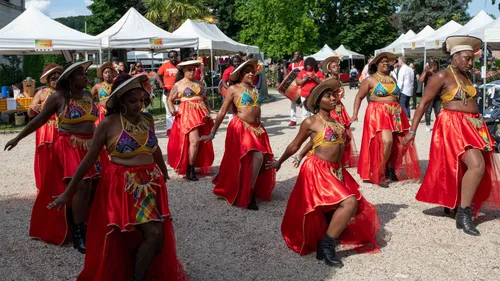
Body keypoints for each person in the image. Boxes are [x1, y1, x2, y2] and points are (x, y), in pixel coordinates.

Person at [49, 74, 189, 281]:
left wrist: (163, 169)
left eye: (142, 100)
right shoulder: (108, 123)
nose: (139, 105)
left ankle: (134, 270)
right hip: (124, 186)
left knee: (157, 240)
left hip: (150, 183)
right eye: (133, 101)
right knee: (154, 233)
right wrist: (67, 192)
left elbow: (154, 147)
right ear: (121, 99)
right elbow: (88, 160)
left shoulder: (147, 119)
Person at [267, 78, 380, 268]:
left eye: (334, 95)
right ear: (318, 101)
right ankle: (326, 245)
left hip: (335, 170)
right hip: (317, 169)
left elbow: (317, 140)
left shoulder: (336, 123)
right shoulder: (311, 121)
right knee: (349, 202)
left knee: (338, 206)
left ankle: (327, 237)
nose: (334, 98)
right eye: (328, 96)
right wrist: (280, 161)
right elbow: (296, 144)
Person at [404, 36, 500, 236]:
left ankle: (455, 204)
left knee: (466, 167)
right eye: (466, 58)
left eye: (471, 59)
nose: (470, 62)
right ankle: (464, 214)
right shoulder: (442, 76)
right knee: (476, 165)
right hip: (452, 125)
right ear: (454, 58)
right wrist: (412, 131)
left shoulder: (466, 76)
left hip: (473, 125)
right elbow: (423, 103)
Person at [4, 61, 104, 253]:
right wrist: (17, 137)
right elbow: (39, 120)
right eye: (81, 74)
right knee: (82, 184)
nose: (85, 77)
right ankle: (77, 232)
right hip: (69, 146)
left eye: (84, 74)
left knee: (94, 186)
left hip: (91, 146)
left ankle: (84, 222)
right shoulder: (58, 97)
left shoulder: (86, 95)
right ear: (70, 79)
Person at [200, 59, 276, 210]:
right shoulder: (233, 89)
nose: (250, 74)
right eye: (247, 71)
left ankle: (246, 187)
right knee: (254, 156)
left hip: (257, 128)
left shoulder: (255, 89)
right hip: (241, 127)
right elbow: (222, 111)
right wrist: (212, 133)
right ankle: (249, 193)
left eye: (252, 71)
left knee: (260, 159)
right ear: (240, 74)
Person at [352, 52, 421, 187]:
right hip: (379, 113)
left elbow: (397, 97)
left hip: (395, 113)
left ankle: (391, 168)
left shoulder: (392, 79)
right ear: (376, 64)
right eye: (382, 61)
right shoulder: (370, 80)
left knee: (402, 144)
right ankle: (380, 170)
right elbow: (359, 97)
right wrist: (355, 114)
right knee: (387, 141)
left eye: (387, 62)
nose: (385, 63)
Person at [294, 56, 358, 168]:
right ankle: (309, 155)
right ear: (329, 70)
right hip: (330, 111)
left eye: (337, 66)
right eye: (334, 67)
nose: (337, 68)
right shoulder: (326, 82)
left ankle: (337, 158)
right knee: (325, 135)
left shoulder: (338, 81)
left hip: (339, 109)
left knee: (344, 136)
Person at [167, 60, 214, 181]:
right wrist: (172, 110)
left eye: (194, 69)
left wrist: (209, 110)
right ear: (183, 70)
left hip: (202, 114)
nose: (192, 71)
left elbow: (205, 98)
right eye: (189, 69)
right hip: (188, 114)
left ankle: (192, 165)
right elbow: (170, 100)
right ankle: (190, 168)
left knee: (201, 141)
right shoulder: (178, 84)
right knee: (194, 141)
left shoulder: (199, 83)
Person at [28, 63, 62, 190]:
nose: (55, 80)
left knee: (61, 156)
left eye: (58, 77)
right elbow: (30, 111)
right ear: (48, 80)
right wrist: (32, 108)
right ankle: (44, 185)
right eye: (53, 78)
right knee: (45, 157)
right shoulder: (42, 93)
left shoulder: (65, 93)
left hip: (62, 128)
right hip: (46, 129)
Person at [295, 57, 324, 121]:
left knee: (314, 112)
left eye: (310, 65)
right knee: (305, 113)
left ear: (313, 65)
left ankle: (315, 128)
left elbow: (323, 83)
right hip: (304, 96)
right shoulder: (302, 72)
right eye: (307, 65)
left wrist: (315, 78)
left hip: (315, 96)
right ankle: (306, 128)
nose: (308, 67)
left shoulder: (318, 72)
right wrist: (305, 78)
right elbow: (298, 83)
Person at [157, 50, 180, 135]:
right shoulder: (164, 65)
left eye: (175, 57)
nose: (173, 59)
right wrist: (160, 83)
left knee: (178, 111)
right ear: (168, 57)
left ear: (177, 57)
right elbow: (158, 75)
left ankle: (178, 128)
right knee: (168, 111)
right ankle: (170, 130)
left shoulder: (180, 65)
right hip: (167, 92)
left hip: (178, 93)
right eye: (171, 57)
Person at [419, 59, 441, 132]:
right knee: (428, 111)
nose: (434, 67)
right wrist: (426, 71)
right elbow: (420, 80)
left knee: (438, 111)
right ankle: (428, 125)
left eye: (435, 65)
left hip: (437, 95)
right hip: (429, 95)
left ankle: (439, 125)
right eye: (432, 65)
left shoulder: (439, 73)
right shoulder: (427, 73)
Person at [285, 51, 305, 126]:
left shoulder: (304, 63)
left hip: (303, 84)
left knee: (303, 102)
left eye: (297, 54)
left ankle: (304, 119)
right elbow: (287, 75)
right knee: (293, 103)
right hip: (295, 85)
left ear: (300, 55)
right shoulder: (291, 65)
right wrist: (284, 66)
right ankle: (293, 120)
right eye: (294, 54)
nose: (295, 56)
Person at [220, 55, 242, 120]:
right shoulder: (228, 70)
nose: (237, 63)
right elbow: (223, 82)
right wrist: (230, 90)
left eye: (238, 62)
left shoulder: (242, 70)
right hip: (232, 93)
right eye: (235, 62)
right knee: (231, 113)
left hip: (241, 92)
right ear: (232, 62)